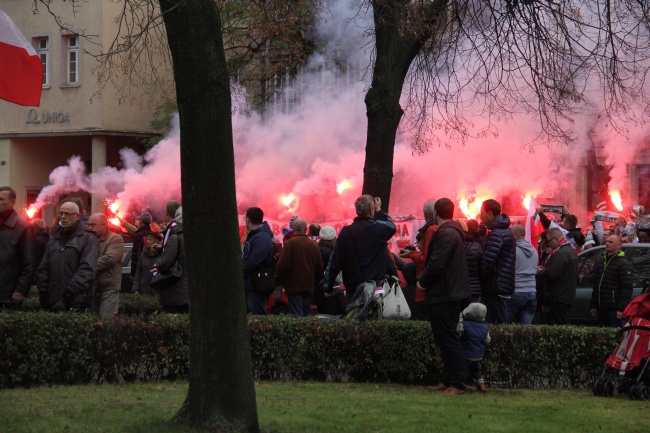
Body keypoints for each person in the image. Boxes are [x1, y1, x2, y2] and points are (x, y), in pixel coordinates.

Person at [417, 198, 471, 396]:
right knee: (444, 339)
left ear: (434, 214)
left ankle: (457, 384)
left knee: (448, 339)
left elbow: (437, 263)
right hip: (447, 292)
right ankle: (448, 380)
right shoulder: (452, 231)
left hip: (446, 294)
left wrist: (422, 281)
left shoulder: (446, 233)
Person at [324, 195, 396, 300]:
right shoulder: (379, 229)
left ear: (357, 211)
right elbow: (391, 225)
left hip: (353, 287)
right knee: (375, 314)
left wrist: (328, 287)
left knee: (355, 315)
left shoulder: (346, 232)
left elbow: (334, 261)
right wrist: (379, 210)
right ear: (372, 210)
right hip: (375, 285)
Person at [38, 201, 99, 312]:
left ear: (77, 216)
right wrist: (43, 291)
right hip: (52, 301)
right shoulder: (54, 237)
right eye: (61, 213)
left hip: (76, 303)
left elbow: (87, 270)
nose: (63, 217)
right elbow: (44, 266)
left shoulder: (88, 238)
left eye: (67, 214)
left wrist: (67, 296)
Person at [275, 218, 324, 316]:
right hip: (308, 286)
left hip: (293, 286)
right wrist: (313, 279)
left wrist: (278, 281)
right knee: (307, 315)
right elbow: (320, 266)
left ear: (293, 229)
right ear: (306, 229)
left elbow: (282, 265)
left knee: (297, 316)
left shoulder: (290, 244)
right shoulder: (313, 245)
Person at [398, 199, 438, 320]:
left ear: (426, 215)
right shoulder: (439, 229)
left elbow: (426, 259)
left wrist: (411, 254)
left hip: (426, 286)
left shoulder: (431, 230)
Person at [479, 199, 515, 324]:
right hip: (502, 286)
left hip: (495, 287)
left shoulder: (496, 234)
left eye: (482, 213)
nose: (480, 216)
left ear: (490, 213)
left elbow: (487, 264)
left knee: (498, 326)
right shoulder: (506, 231)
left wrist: (479, 279)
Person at [0, 186, 33, 310]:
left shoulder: (23, 228)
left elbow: (29, 263)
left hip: (8, 296)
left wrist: (21, 290)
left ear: (12, 202)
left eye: (1, 199)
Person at [536, 227, 578, 325]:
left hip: (558, 297)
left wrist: (539, 272)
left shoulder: (561, 253)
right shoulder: (570, 251)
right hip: (565, 295)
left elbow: (551, 274)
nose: (548, 244)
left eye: (549, 241)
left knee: (558, 326)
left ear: (556, 238)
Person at [590, 235, 634, 327]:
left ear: (619, 245)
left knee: (616, 335)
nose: (607, 243)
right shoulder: (602, 261)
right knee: (603, 336)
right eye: (607, 241)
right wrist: (593, 304)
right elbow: (596, 284)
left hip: (613, 309)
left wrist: (621, 309)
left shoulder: (623, 264)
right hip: (601, 307)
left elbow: (627, 288)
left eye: (611, 242)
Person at [87, 213, 125, 320]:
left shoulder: (116, 239)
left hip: (109, 287)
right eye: (89, 225)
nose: (90, 228)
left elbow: (109, 259)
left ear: (104, 225)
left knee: (106, 322)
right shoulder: (90, 239)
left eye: (93, 225)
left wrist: (86, 268)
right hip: (93, 287)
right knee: (93, 322)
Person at [153, 206, 189, 313]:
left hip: (177, 293)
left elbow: (165, 263)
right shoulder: (198, 238)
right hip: (192, 294)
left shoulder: (175, 237)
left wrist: (158, 260)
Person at [242, 207, 275, 315]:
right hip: (252, 284)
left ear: (248, 219)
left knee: (257, 317)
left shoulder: (261, 237)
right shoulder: (257, 236)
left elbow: (253, 262)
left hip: (255, 285)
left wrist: (239, 273)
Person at [508, 224, 539, 324]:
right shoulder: (534, 251)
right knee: (525, 331)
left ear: (516, 236)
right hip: (531, 292)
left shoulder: (512, 251)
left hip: (516, 291)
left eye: (510, 234)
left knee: (505, 328)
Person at [458, 303, 491, 392]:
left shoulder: (465, 324)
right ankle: (482, 385)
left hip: (466, 354)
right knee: (477, 371)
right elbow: (487, 340)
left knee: (463, 371)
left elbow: (459, 334)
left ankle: (459, 385)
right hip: (478, 355)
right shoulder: (485, 327)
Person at [132, 232, 163, 296]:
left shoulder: (162, 253)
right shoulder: (143, 254)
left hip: (159, 291)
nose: (148, 241)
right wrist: (136, 288)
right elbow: (138, 272)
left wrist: (162, 249)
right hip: (145, 290)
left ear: (156, 241)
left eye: (150, 239)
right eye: (147, 239)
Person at [129, 212, 153, 280]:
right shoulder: (153, 235)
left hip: (140, 269)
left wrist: (133, 274)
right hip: (151, 268)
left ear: (141, 221)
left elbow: (135, 255)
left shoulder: (138, 235)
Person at [464, 219, 483, 304]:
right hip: (476, 287)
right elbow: (483, 269)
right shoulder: (480, 243)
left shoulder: (459, 244)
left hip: (460, 287)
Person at [30, 218, 49, 285]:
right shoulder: (50, 239)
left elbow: (33, 258)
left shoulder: (37, 241)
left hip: (38, 274)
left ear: (35, 228)